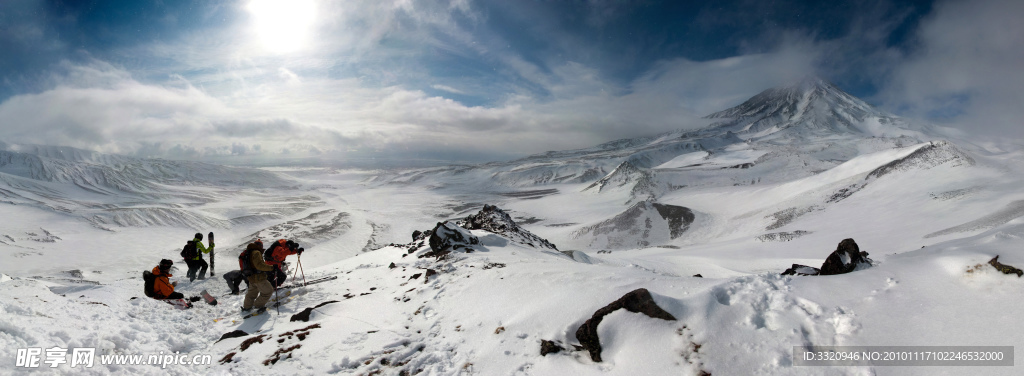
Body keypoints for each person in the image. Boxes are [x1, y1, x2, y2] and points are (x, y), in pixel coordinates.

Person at [241, 241, 275, 314]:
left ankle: (247, 307)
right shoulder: (256, 252)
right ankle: (257, 305)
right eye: (261, 246)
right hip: (259, 277)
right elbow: (259, 266)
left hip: (251, 277)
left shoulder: (248, 252)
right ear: (259, 246)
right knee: (268, 291)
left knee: (251, 294)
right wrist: (272, 268)